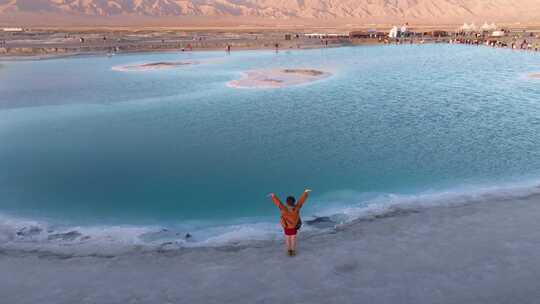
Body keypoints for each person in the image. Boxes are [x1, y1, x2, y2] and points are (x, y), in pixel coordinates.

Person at [269, 189, 311, 256]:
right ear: (294, 202)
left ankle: (289, 251)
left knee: (287, 239)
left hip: (286, 227)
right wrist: (305, 192)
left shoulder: (283, 209)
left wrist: (273, 196)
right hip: (294, 227)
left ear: (286, 202)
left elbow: (278, 203)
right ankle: (293, 251)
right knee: (293, 239)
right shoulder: (297, 209)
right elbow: (301, 201)